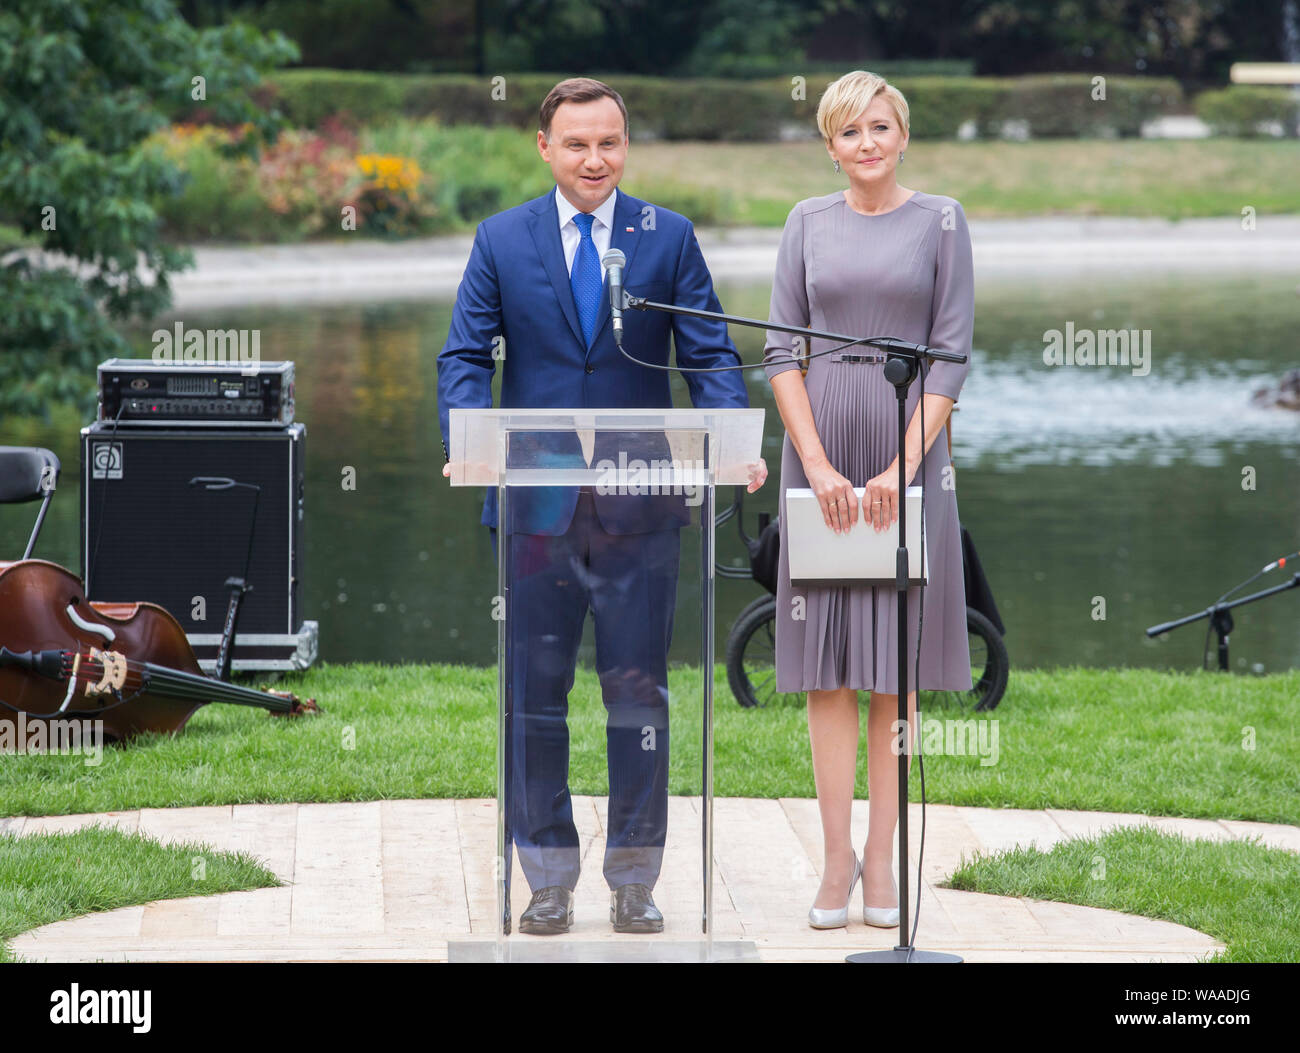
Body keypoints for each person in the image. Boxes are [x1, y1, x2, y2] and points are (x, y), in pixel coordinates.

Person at [438, 77, 766, 936]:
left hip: (640, 509)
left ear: (627, 147)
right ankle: (545, 878)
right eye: (577, 143)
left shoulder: (669, 239)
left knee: (639, 695)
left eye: (610, 143)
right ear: (544, 147)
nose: (595, 159)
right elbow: (466, 354)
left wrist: (733, 440)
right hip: (534, 506)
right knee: (533, 696)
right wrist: (466, 434)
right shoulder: (501, 239)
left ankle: (634, 877)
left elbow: (711, 357)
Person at [762, 71, 974, 930]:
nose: (867, 144)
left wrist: (896, 468)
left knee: (896, 675)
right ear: (829, 145)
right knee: (826, 672)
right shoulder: (804, 222)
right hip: (818, 452)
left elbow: (950, 355)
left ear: (904, 134)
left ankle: (884, 857)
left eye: (880, 127)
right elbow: (780, 350)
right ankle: (836, 857)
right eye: (849, 132)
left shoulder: (944, 221)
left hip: (908, 450)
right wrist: (813, 463)